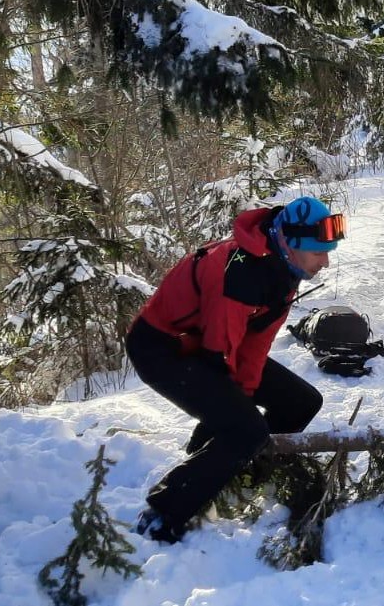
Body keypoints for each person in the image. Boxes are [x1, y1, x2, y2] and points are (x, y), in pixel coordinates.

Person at [127, 196, 346, 543]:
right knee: (245, 430)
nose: (326, 261)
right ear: (290, 244)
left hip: (205, 346)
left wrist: (236, 401)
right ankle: (163, 511)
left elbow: (256, 343)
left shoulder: (283, 266)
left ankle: (239, 472)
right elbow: (220, 355)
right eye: (319, 252)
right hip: (162, 349)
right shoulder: (240, 271)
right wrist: (227, 418)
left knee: (302, 402)